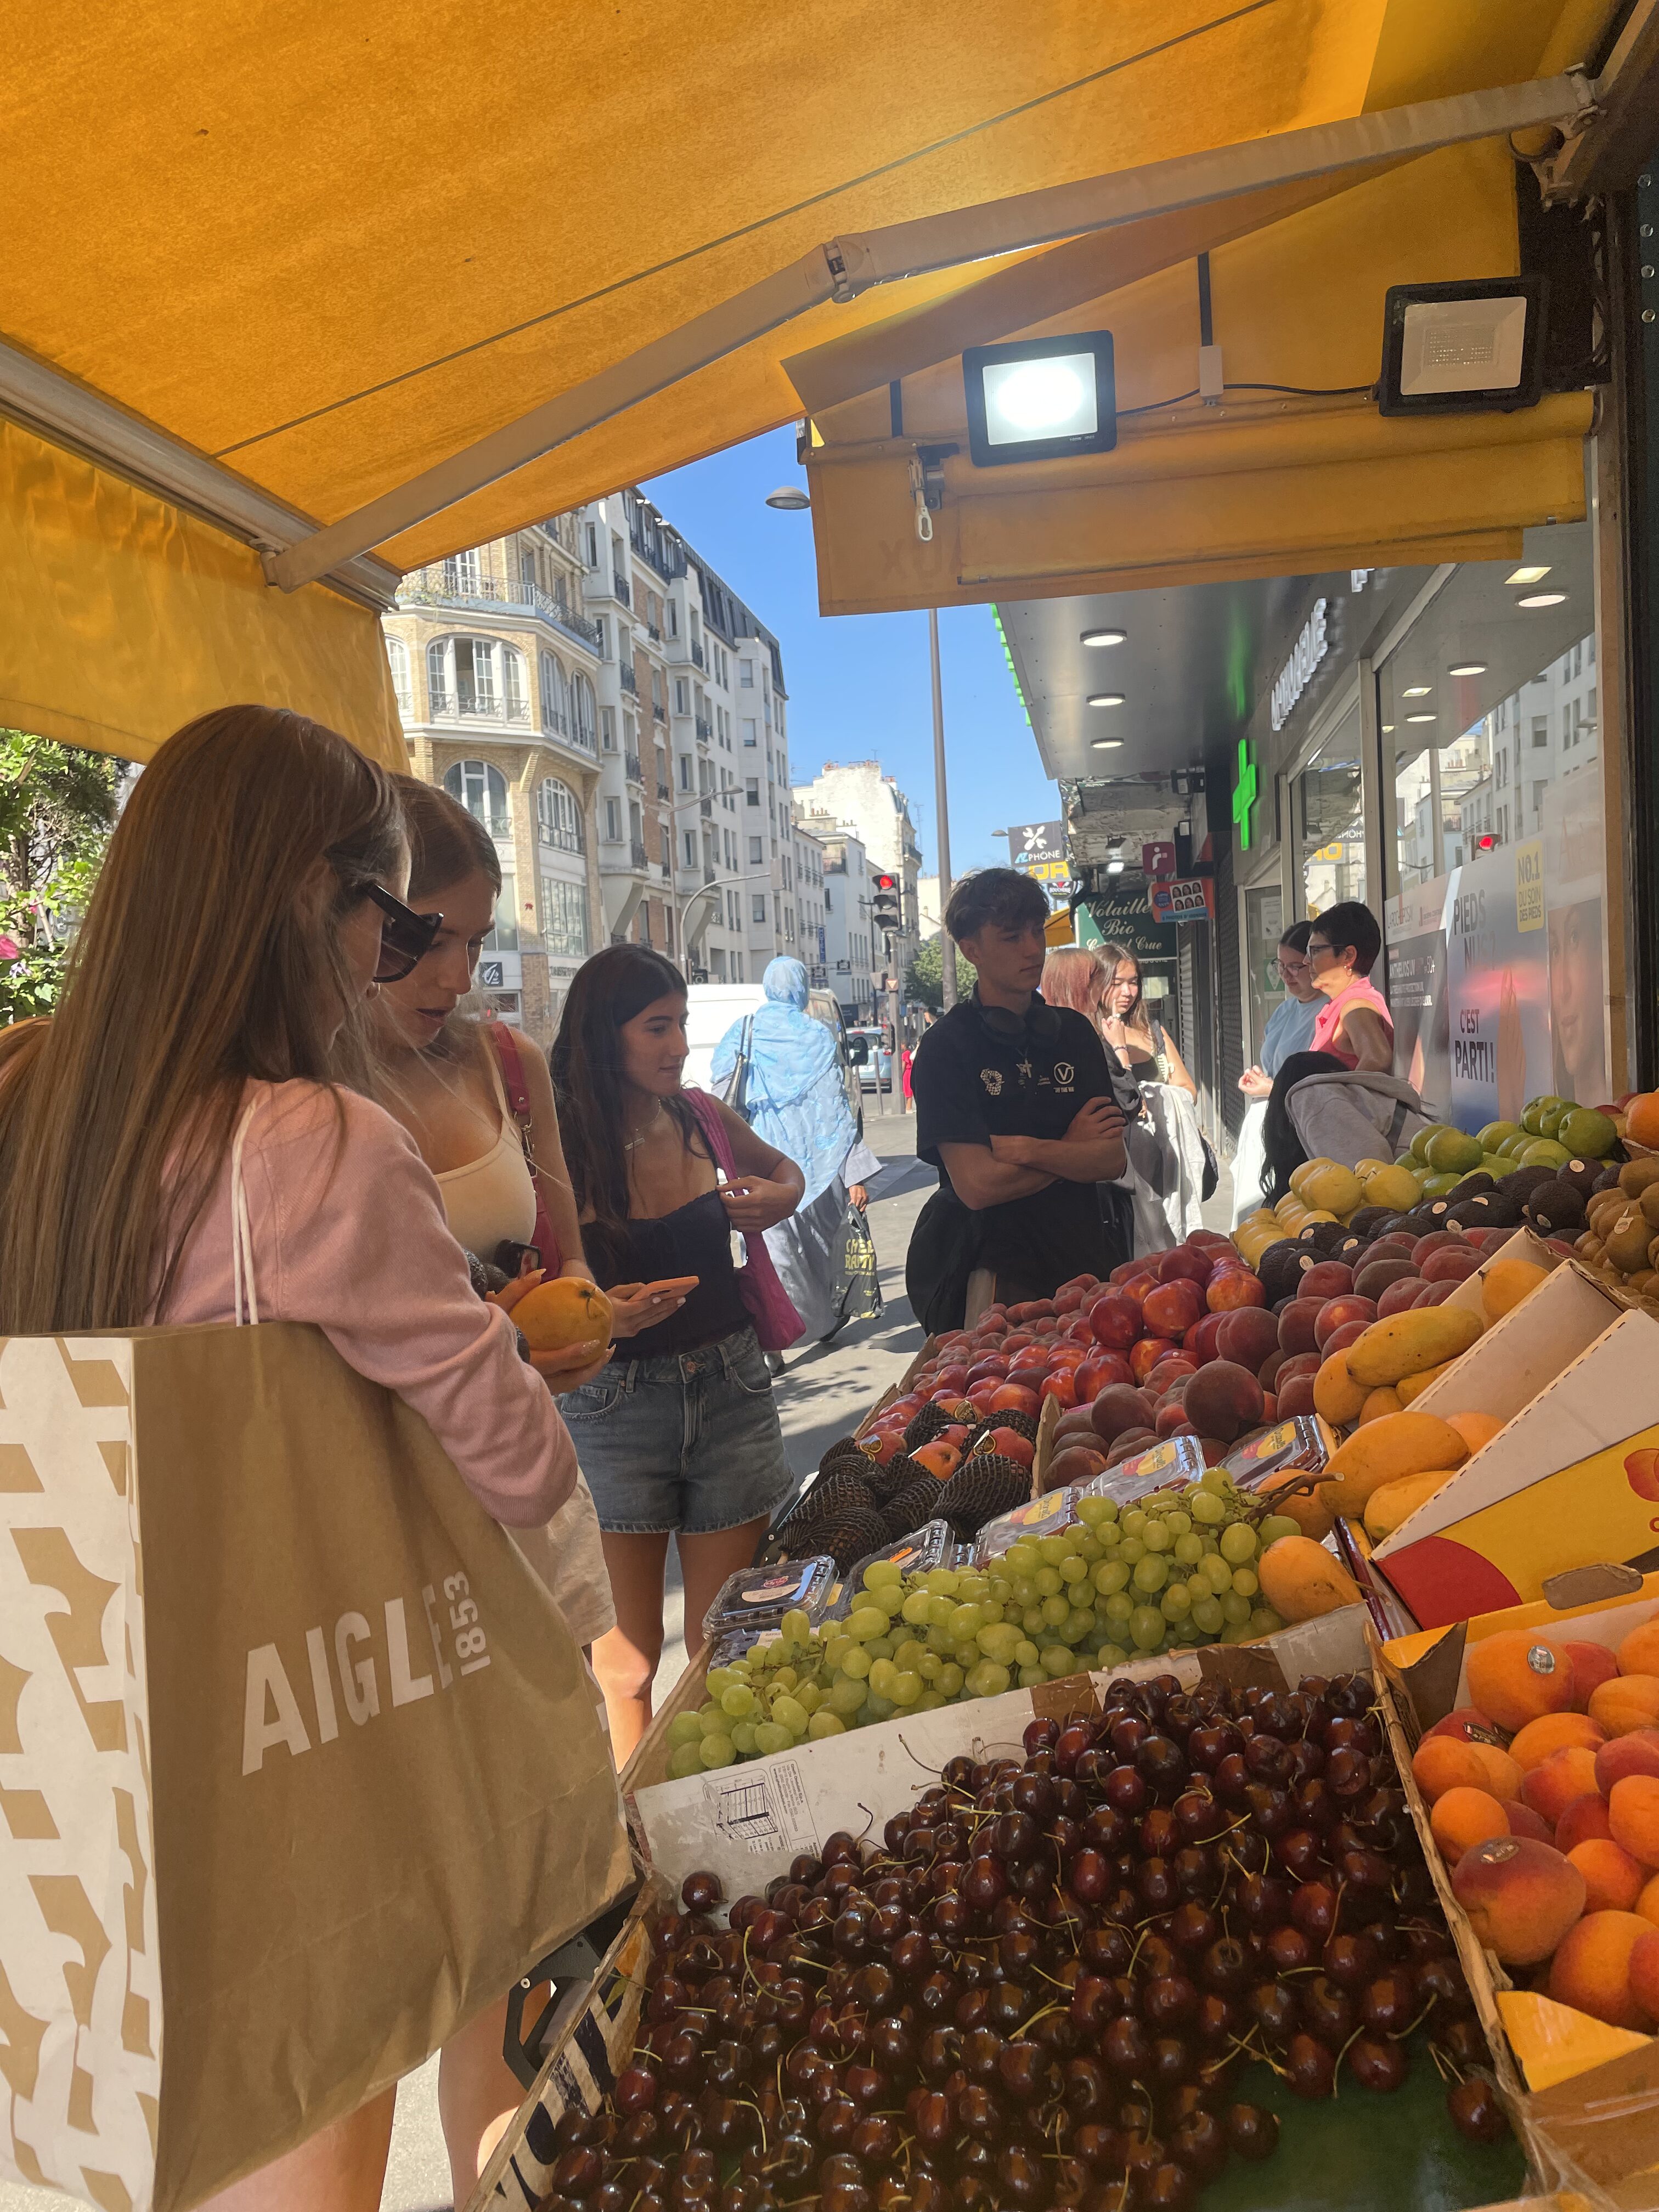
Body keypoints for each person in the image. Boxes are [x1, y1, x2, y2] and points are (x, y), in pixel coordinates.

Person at [0, 705, 590, 2212]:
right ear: (315, 902)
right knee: (296, 2120)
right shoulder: (311, 1146)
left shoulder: (29, 1101)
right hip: (288, 1739)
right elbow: (517, 1462)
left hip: (76, 1749)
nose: (397, 961)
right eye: (397, 923)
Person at [552, 946, 805, 1758]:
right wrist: (605, 1319)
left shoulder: (701, 1115)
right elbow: (527, 1287)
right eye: (657, 1027)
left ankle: (715, 1807)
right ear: (605, 1035)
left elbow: (786, 1170)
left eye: (682, 1024)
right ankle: (636, 1819)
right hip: (611, 1410)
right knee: (624, 1665)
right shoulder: (557, 1143)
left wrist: (781, 1197)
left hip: (731, 1391)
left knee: (720, 1646)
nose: (678, 1045)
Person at [906, 870, 1127, 1326]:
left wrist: (1027, 1150)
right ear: (971, 950)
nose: (1032, 949)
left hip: (1087, 1265)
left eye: (1036, 932)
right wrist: (1072, 1151)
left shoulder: (1075, 1034)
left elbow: (1110, 1160)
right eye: (1011, 937)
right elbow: (979, 1187)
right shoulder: (947, 1047)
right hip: (995, 1281)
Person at [710, 956, 881, 1351]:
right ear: (801, 988)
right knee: (824, 1245)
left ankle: (776, 1330)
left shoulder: (743, 1031)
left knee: (774, 1252)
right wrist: (853, 1173)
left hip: (764, 1161)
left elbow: (719, 1096)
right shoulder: (816, 1035)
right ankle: (824, 1319)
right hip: (818, 1161)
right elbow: (835, 1109)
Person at [1096, 941, 1207, 1250]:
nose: (1127, 992)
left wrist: (1156, 1097)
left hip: (1164, 1159)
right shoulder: (1089, 1034)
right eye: (1117, 983)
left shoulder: (1151, 1031)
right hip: (1119, 1169)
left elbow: (1188, 1089)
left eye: (1133, 982)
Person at [1231, 921, 1322, 1221]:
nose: (1285, 974)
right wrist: (1260, 1078)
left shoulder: (1327, 1011)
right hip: (1267, 1120)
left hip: (1295, 1130)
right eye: (1280, 965)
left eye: (1295, 966)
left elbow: (1322, 1082)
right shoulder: (1286, 1009)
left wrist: (1271, 1088)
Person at [1305, 900, 1393, 1071]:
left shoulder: (1356, 1006)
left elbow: (1378, 1059)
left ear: (1348, 956)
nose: (1306, 960)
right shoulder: (1348, 1003)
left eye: (1315, 951)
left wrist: (1344, 1089)